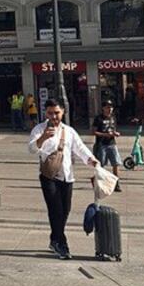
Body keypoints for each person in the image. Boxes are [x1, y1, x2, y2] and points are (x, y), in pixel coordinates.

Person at [29, 99, 99, 260]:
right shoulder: (39, 129)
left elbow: (79, 148)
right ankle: (62, 244)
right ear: (45, 113)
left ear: (63, 112)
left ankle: (54, 239)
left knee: (65, 210)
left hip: (67, 176)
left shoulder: (69, 131)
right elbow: (32, 149)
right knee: (56, 211)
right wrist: (43, 138)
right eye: (50, 113)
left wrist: (91, 160)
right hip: (48, 176)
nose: (53, 116)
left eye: (56, 113)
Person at [91, 100, 122, 192]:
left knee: (116, 164)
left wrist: (115, 133)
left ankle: (117, 184)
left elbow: (113, 128)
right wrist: (105, 135)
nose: (110, 109)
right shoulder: (98, 118)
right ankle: (99, 182)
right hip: (102, 144)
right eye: (108, 107)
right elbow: (93, 131)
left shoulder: (113, 118)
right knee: (101, 165)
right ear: (103, 108)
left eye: (111, 107)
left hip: (112, 143)